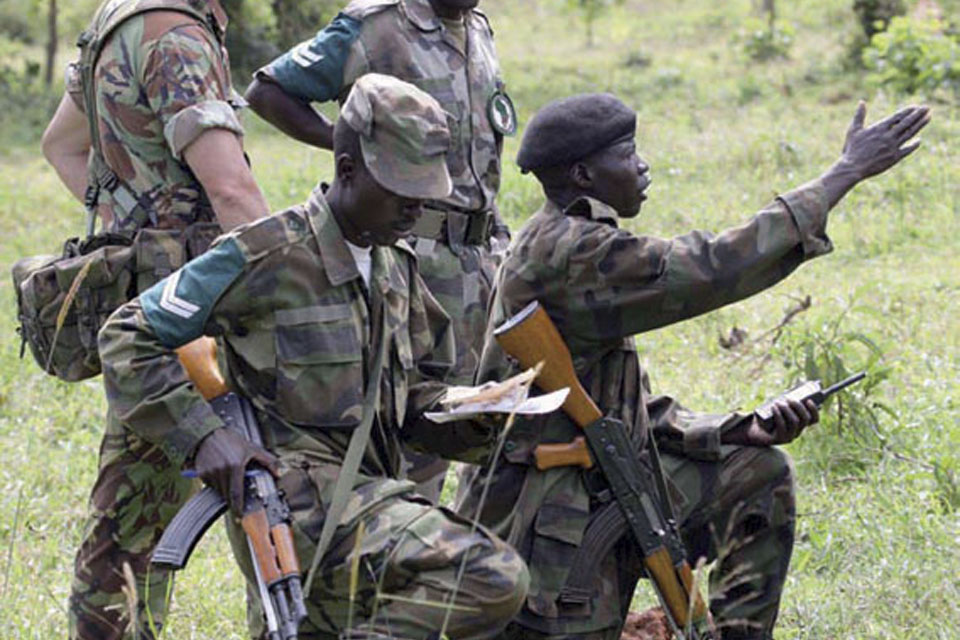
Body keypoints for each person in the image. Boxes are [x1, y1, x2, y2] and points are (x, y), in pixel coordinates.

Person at [456, 94, 930, 639]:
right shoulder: (574, 254)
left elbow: (616, 407)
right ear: (584, 174)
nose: (642, 165)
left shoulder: (569, 238)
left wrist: (737, 426)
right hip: (542, 519)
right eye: (627, 154)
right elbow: (710, 267)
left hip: (590, 482)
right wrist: (844, 173)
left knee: (756, 471)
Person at [98, 73, 529, 640]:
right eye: (401, 187)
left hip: (366, 501)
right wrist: (205, 436)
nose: (415, 206)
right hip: (289, 504)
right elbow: (128, 333)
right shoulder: (270, 253)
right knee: (490, 575)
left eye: (425, 189)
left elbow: (415, 399)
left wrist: (479, 412)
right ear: (347, 168)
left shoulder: (396, 269)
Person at [40, 1, 269, 637]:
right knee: (239, 499)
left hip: (151, 306)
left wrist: (135, 227)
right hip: (197, 308)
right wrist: (291, 285)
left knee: (131, 509)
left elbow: (60, 144)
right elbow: (230, 191)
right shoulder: (178, 37)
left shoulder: (122, 16)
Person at [244, 0, 516, 501]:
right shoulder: (375, 28)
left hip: (480, 265)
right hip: (409, 258)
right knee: (411, 430)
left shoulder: (476, 28)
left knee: (481, 424)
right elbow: (268, 92)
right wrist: (353, 151)